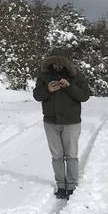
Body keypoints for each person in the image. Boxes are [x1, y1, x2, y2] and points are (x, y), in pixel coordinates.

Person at [32, 53, 90, 199]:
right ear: (50, 63)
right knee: (57, 156)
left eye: (60, 63)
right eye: (54, 63)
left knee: (71, 155)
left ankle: (71, 186)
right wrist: (47, 90)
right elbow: (37, 96)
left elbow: (84, 96)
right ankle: (61, 186)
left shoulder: (76, 75)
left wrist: (69, 87)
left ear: (66, 63)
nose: (57, 66)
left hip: (71, 122)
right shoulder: (44, 76)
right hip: (51, 122)